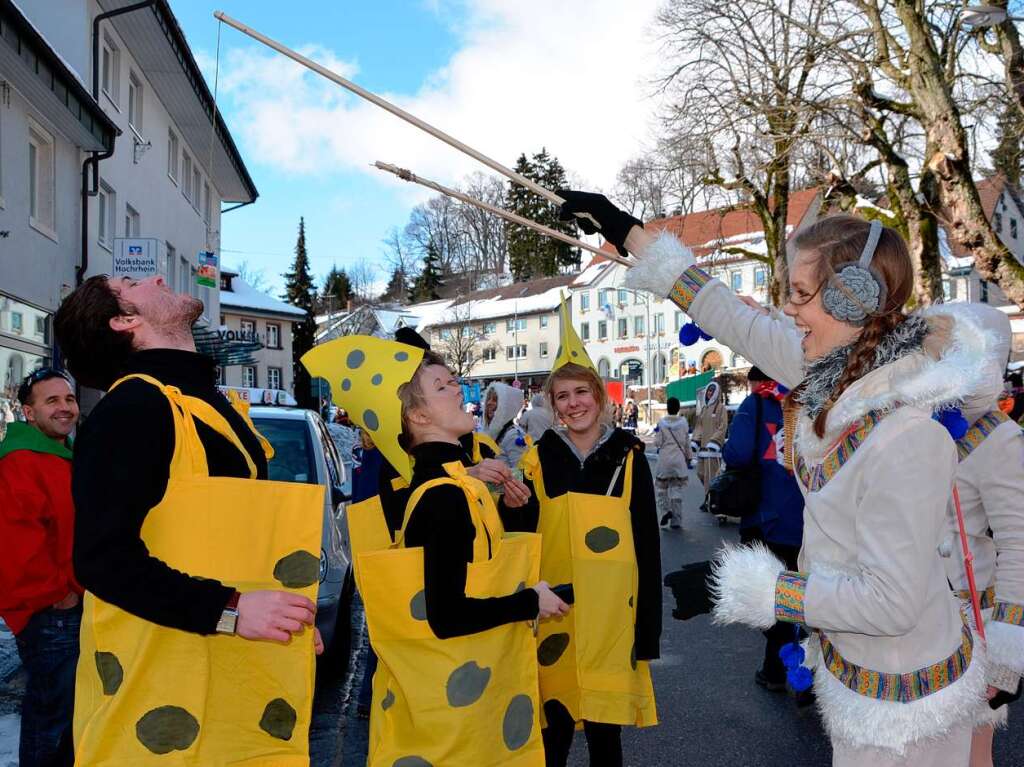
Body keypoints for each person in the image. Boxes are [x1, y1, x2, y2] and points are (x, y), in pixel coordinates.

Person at [559, 191, 994, 765]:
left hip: (907, 706)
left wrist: (756, 589)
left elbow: (891, 602)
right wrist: (629, 233)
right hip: (857, 675)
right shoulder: (838, 373)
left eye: (801, 294)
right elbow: (732, 316)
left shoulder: (908, 433)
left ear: (854, 298)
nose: (787, 309)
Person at [54, 275, 324, 765]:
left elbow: (224, 539)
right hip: (157, 689)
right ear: (125, 321)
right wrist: (233, 609)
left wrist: (282, 610)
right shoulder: (133, 408)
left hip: (226, 682)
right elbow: (102, 560)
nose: (157, 276)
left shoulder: (205, 403)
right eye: (133, 282)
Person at [307, 336, 565, 766]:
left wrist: (517, 514)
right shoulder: (444, 495)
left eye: (454, 381)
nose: (459, 389)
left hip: (460, 711)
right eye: (443, 386)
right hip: (451, 728)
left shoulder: (455, 486)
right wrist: (530, 601)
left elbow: (484, 568)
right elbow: (447, 616)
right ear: (419, 415)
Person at [510, 361, 661, 767]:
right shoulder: (538, 459)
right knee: (553, 729)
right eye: (563, 396)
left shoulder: (629, 458)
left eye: (581, 392)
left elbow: (647, 545)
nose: (574, 403)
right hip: (554, 610)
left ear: (598, 395)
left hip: (610, 614)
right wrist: (510, 505)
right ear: (554, 407)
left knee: (604, 731)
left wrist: (648, 630)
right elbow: (522, 533)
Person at [934, 305, 1023, 767]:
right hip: (921, 620)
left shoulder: (1001, 439)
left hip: (974, 628)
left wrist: (1005, 656)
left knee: (971, 755)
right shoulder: (923, 425)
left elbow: (1020, 544)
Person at [0, 369, 82, 766]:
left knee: (67, 718)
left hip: (64, 607)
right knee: (51, 723)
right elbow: (19, 544)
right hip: (52, 613)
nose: (64, 408)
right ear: (28, 412)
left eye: (68, 399)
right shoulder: (21, 460)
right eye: (52, 401)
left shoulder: (61, 454)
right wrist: (59, 597)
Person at [722, 366, 805, 691]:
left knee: (770, 600)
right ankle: (799, 673)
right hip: (812, 521)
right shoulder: (816, 400)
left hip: (767, 520)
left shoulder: (757, 404)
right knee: (808, 596)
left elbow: (738, 454)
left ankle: (780, 668)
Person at [652, 396, 692, 530]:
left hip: (664, 460)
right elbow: (687, 443)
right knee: (676, 490)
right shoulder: (684, 423)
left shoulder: (661, 424)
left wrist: (656, 433)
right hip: (678, 460)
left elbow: (657, 443)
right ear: (678, 408)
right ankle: (676, 521)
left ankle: (665, 511)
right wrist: (689, 457)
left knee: (661, 489)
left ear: (667, 409)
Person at [692, 380, 727, 497]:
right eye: (709, 391)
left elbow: (723, 426)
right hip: (702, 449)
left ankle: (709, 500)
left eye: (712, 391)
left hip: (713, 450)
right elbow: (699, 427)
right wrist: (695, 440)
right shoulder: (704, 408)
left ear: (717, 392)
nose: (710, 393)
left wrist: (715, 441)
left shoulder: (721, 408)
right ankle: (711, 497)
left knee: (710, 477)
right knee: (700, 473)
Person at [482, 382, 528, 469]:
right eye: (488, 398)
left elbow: (522, 472)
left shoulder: (513, 435)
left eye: (495, 400)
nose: (489, 403)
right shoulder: (493, 432)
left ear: (506, 407)